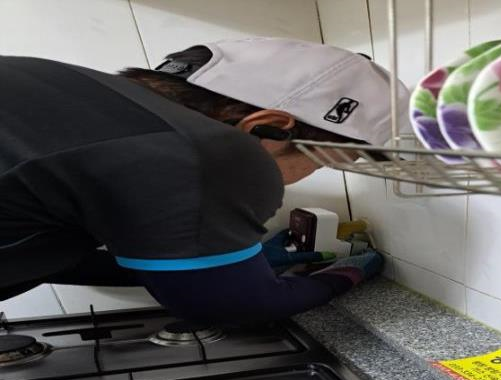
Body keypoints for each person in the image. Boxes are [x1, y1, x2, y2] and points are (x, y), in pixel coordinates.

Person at [0, 37, 409, 323]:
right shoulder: (203, 151)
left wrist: (223, 264)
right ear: (265, 128)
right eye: (321, 163)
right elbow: (234, 308)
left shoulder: (59, 84)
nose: (307, 176)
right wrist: (344, 276)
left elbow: (37, 252)